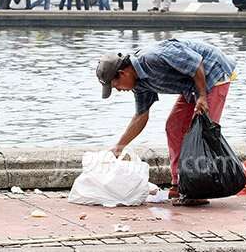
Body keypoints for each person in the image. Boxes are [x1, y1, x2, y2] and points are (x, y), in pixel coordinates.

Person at [96, 39, 236, 206]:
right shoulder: (139, 85)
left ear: (123, 73)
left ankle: (198, 190)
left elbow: (196, 63)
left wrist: (203, 97)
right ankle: (179, 184)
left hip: (213, 72)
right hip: (192, 85)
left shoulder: (154, 57)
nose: (119, 90)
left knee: (201, 132)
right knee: (174, 127)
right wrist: (119, 147)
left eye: (116, 85)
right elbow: (141, 116)